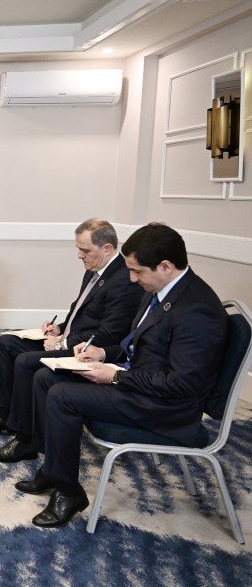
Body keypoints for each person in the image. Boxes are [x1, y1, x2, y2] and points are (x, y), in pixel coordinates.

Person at [17, 223, 227, 528]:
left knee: (62, 396)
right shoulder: (159, 290)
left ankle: (68, 492)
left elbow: (183, 385)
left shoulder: (197, 310)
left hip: (166, 408)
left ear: (165, 266)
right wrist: (103, 354)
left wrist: (115, 378)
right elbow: (136, 345)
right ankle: (54, 470)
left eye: (137, 271)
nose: (132, 279)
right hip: (139, 381)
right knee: (45, 377)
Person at [0, 219, 140, 464]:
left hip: (86, 351)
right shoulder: (95, 268)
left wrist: (63, 344)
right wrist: (59, 328)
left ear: (107, 248)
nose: (79, 255)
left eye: (85, 250)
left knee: (26, 362)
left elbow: (109, 333)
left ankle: (26, 440)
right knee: (5, 343)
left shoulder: (124, 280)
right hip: (68, 339)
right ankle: (6, 415)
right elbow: (80, 310)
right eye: (78, 248)